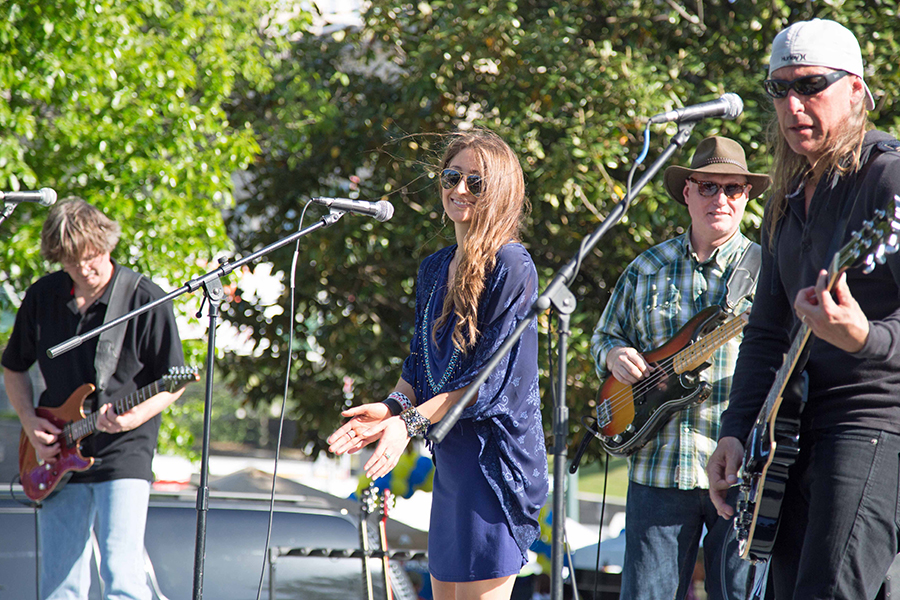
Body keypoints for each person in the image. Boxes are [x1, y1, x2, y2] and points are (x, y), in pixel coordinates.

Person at [707, 19, 900, 600]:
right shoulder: (787, 198)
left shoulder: (887, 177)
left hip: (872, 423)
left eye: (811, 85)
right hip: (789, 436)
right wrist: (736, 429)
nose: (793, 104)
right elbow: (766, 331)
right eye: (779, 89)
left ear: (856, 90)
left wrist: (865, 338)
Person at [327, 129, 549, 600]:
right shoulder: (434, 268)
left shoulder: (512, 265)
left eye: (476, 182)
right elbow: (420, 366)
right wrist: (389, 408)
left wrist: (407, 423)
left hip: (494, 467)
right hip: (451, 458)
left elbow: (483, 387)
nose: (459, 190)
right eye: (452, 177)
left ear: (501, 192)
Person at [591, 136, 770, 600]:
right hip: (658, 467)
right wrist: (613, 356)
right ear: (687, 191)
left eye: (732, 188)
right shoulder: (646, 267)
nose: (721, 199)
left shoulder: (771, 272)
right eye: (708, 187)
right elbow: (604, 336)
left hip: (741, 469)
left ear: (747, 195)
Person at [3, 198, 186, 599]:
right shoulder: (42, 296)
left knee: (122, 577)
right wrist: (32, 426)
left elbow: (176, 381)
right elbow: (13, 367)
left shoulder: (144, 299)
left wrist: (134, 418)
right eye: (71, 262)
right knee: (59, 586)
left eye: (91, 258)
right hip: (56, 451)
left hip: (124, 452)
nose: (84, 270)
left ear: (107, 245)